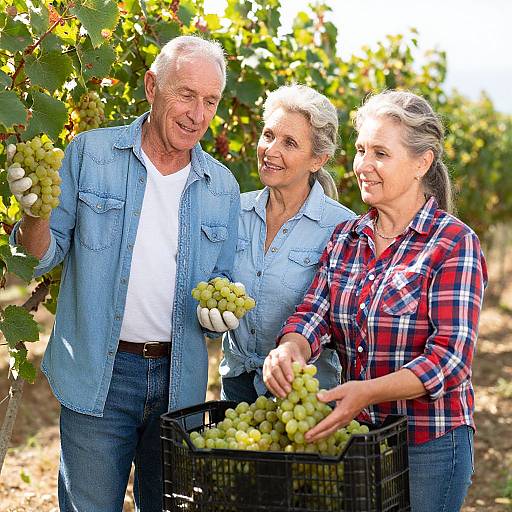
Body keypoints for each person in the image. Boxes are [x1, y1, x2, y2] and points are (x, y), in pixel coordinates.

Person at [7, 36, 240, 511]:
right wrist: (34, 212)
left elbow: (222, 283)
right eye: (186, 94)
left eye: (210, 100)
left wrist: (220, 311)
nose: (199, 113)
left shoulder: (223, 187)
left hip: (180, 382)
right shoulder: (89, 155)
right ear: (152, 87)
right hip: (100, 372)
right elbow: (40, 257)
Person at [263, 90, 487, 512]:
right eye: (362, 150)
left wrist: (368, 392)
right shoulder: (347, 238)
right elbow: (316, 312)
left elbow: (449, 360)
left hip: (429, 444)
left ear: (422, 163)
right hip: (360, 440)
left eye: (380, 153)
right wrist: (290, 347)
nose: (363, 165)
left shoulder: (453, 244)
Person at [197, 84, 355, 403]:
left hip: (304, 393)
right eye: (268, 135)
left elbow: (343, 325)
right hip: (237, 388)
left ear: (317, 159)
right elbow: (216, 286)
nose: (271, 150)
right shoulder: (233, 211)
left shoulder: (342, 227)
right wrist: (209, 316)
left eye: (290, 143)